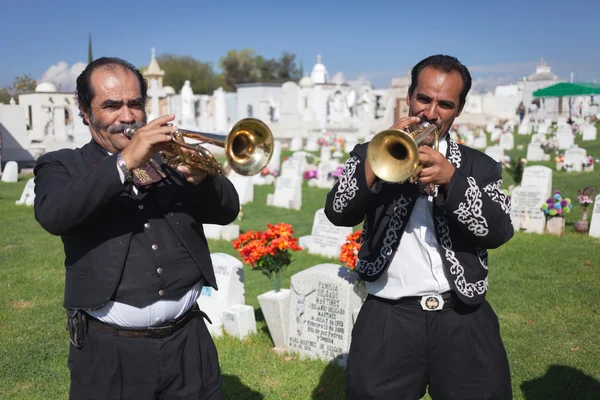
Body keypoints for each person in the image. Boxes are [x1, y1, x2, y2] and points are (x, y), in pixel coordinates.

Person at [33, 57, 240, 399]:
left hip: (188, 343)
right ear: (86, 112)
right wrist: (127, 161)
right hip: (109, 354)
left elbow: (228, 210)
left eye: (135, 104)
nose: (127, 117)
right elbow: (54, 213)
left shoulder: (168, 158)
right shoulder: (61, 165)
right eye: (111, 106)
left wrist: (203, 181)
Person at [324, 54, 514, 399]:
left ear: (459, 109)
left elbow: (499, 230)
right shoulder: (372, 153)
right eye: (424, 99)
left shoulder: (480, 166)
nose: (430, 113)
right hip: (388, 317)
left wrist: (452, 180)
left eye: (445, 104)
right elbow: (338, 211)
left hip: (463, 316)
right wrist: (376, 157)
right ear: (409, 97)